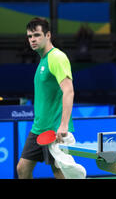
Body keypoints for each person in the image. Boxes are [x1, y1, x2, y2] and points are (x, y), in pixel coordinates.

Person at [17, 18, 75, 178]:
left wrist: (63, 125)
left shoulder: (57, 57)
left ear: (48, 35)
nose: (33, 39)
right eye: (29, 36)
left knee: (59, 170)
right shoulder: (43, 60)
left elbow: (68, 91)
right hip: (39, 128)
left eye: (37, 35)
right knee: (22, 169)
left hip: (55, 129)